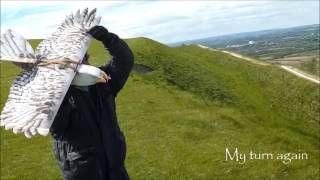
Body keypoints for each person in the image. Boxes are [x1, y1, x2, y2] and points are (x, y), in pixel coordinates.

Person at [50, 26, 134, 180]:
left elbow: (125, 60)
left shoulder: (103, 79)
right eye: (73, 61)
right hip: (84, 172)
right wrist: (60, 88)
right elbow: (57, 127)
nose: (80, 64)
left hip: (115, 168)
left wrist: (109, 39)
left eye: (83, 58)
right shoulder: (56, 92)